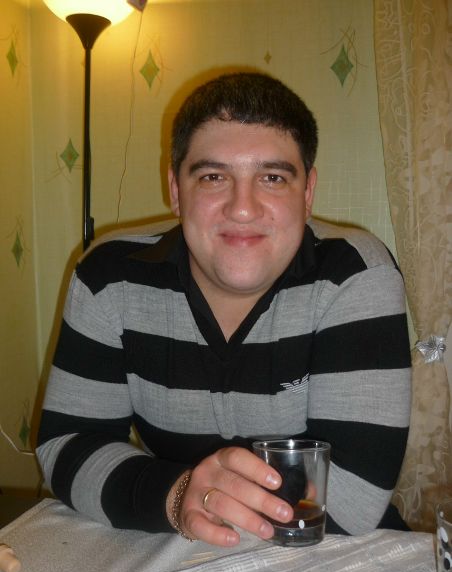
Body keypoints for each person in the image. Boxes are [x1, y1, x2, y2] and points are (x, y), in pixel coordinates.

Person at [36, 71, 411, 547]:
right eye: (213, 177)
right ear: (176, 190)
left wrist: (195, 496)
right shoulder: (109, 278)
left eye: (272, 178)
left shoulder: (355, 276)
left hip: (340, 558)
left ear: (307, 193)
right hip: (177, 545)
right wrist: (178, 496)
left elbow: (352, 499)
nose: (243, 208)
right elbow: (65, 445)